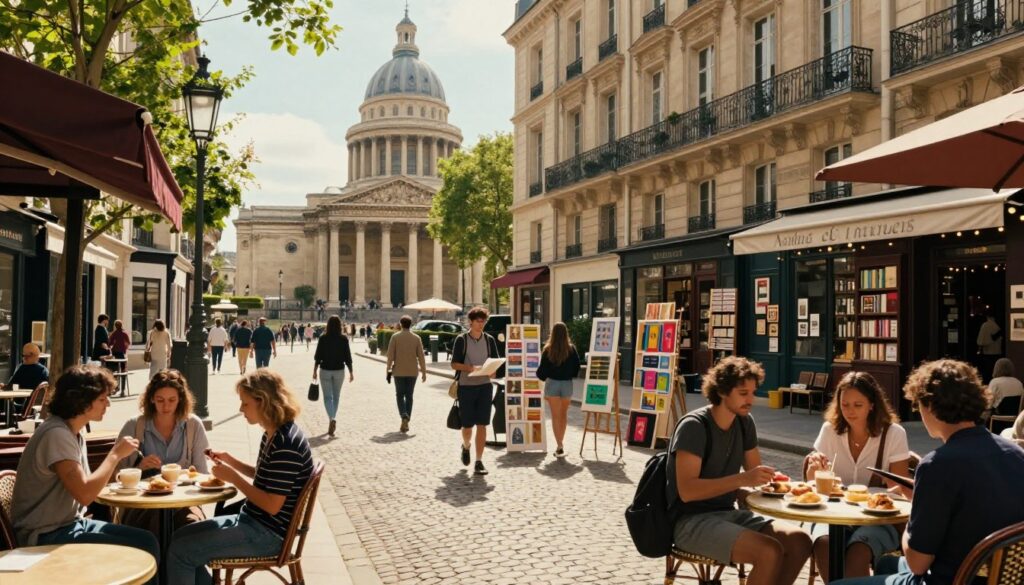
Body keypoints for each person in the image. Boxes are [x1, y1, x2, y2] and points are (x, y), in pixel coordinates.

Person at [833, 359, 1024, 585]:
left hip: (953, 578)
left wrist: (915, 508)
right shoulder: (1015, 454)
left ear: (930, 407)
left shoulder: (937, 465)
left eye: (918, 405)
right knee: (886, 563)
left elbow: (917, 562)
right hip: (1001, 578)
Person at [10, 366, 159, 583]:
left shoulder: (73, 433)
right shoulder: (56, 435)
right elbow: (85, 494)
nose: (108, 404)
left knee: (147, 541)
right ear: (81, 400)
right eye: (102, 399)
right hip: (44, 535)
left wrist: (133, 469)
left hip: (70, 525)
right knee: (141, 548)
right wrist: (115, 454)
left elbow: (91, 486)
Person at [670, 356, 811, 585]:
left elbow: (756, 473)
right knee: (769, 551)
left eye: (753, 393)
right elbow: (687, 490)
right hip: (690, 521)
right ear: (723, 391)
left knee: (799, 540)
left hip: (728, 514)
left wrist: (781, 483)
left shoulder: (744, 422)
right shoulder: (694, 427)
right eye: (743, 393)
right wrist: (742, 480)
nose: (751, 400)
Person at [166, 369, 313, 585]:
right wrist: (231, 461)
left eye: (245, 403)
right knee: (180, 536)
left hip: (268, 535)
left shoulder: (285, 443)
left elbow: (272, 504)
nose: (241, 409)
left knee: (181, 552)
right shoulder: (274, 432)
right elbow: (264, 476)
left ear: (262, 402)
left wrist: (234, 478)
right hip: (254, 522)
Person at [803, 371, 911, 580]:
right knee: (825, 543)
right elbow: (814, 485)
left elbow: (900, 492)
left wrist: (888, 487)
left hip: (877, 519)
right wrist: (813, 472)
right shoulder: (830, 431)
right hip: (833, 514)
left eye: (857, 405)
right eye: (845, 405)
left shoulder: (893, 434)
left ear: (872, 404)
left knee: (858, 550)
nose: (850, 411)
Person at [115, 370, 210, 534]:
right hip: (142, 503)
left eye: (172, 400)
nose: (166, 406)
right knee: (151, 527)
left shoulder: (193, 425)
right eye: (160, 400)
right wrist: (139, 468)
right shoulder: (135, 425)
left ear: (180, 399)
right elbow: (116, 475)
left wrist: (187, 475)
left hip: (184, 501)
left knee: (192, 527)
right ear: (151, 399)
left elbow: (203, 474)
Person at [450, 306, 502, 476]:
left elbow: (495, 361)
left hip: (485, 387)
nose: (481, 324)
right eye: (478, 321)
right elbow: (454, 364)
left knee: (482, 424)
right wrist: (470, 367)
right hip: (466, 387)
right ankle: (466, 446)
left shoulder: (489, 340)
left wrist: (494, 371)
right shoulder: (461, 339)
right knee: (467, 427)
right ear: (470, 322)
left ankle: (479, 461)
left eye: (484, 321)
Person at [536, 322, 580, 458]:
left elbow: (542, 371)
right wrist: (568, 373)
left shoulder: (548, 349)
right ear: (566, 333)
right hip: (566, 384)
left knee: (555, 416)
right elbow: (577, 367)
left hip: (552, 384)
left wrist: (544, 375)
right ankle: (561, 444)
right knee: (563, 415)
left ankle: (559, 445)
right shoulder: (571, 349)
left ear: (553, 333)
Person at [312, 315, 353, 437]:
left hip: (325, 370)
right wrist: (351, 371)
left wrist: (314, 370)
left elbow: (318, 356)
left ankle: (332, 418)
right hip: (339, 370)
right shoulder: (344, 339)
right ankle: (332, 419)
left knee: (327, 398)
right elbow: (348, 357)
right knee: (336, 397)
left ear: (328, 325)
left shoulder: (323, 338)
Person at [385, 315, 427, 433]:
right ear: (411, 324)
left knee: (399, 395)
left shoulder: (395, 337)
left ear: (400, 324)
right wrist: (423, 371)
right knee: (409, 396)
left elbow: (390, 355)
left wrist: (388, 369)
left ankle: (404, 415)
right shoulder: (416, 338)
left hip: (398, 371)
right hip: (413, 371)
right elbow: (421, 356)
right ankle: (407, 418)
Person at [976, 311, 1003, 383]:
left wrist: (979, 350)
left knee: (986, 372)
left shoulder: (985, 325)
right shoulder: (997, 326)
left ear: (987, 317)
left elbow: (980, 341)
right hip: (997, 352)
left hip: (987, 353)